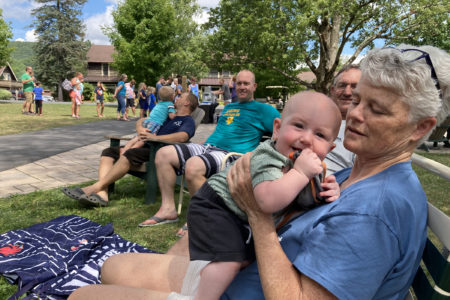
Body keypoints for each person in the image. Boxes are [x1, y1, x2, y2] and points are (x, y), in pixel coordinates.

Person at [68, 44, 450, 300]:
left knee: (83, 295)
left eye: (378, 109)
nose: (356, 115)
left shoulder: (375, 211)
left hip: (243, 285)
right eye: (358, 100)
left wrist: (256, 213)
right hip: (241, 274)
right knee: (113, 266)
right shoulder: (360, 173)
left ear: (420, 127)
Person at [188, 91, 342, 299]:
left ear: (330, 148)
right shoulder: (269, 156)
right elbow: (267, 202)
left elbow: (306, 199)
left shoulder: (311, 166)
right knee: (228, 262)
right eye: (298, 126)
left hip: (240, 218)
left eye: (320, 135)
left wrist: (328, 191)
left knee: (245, 259)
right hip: (216, 205)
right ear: (277, 129)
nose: (306, 139)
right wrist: (300, 173)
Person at [138, 70, 280, 230]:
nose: (241, 87)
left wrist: (275, 138)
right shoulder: (229, 107)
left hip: (232, 154)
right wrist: (203, 145)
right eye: (239, 83)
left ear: (254, 86)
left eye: (246, 83)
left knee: (193, 166)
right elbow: (221, 131)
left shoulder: (264, 110)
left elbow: (282, 128)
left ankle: (200, 217)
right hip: (209, 147)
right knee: (164, 154)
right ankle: (168, 209)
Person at [61, 92, 199, 207]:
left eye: (181, 97)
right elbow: (144, 120)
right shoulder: (169, 115)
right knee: (108, 152)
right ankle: (103, 194)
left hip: (158, 151)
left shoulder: (187, 121)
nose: (177, 98)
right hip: (144, 144)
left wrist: (156, 138)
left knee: (129, 154)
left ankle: (94, 188)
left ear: (187, 103)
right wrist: (140, 128)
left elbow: (183, 137)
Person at [324, 64, 361, 174]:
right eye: (342, 85)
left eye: (354, 86)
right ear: (332, 90)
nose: (347, 92)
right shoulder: (313, 117)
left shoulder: (366, 129)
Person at [121, 86, 176, 154]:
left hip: (147, 121)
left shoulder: (160, 103)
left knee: (137, 137)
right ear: (171, 97)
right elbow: (172, 116)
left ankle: (125, 148)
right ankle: (130, 151)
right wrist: (176, 113)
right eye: (174, 94)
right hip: (155, 123)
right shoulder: (170, 104)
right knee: (144, 139)